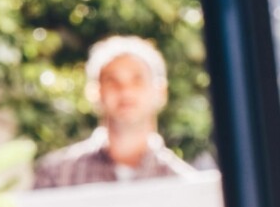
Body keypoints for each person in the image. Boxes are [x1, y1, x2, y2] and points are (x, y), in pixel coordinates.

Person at [33, 36, 196, 189]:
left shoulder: (186, 184)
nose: (125, 91)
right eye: (112, 81)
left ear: (161, 92)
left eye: (137, 80)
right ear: (94, 93)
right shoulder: (55, 177)